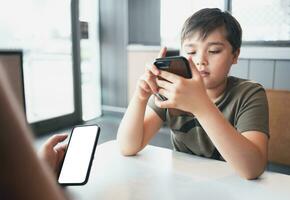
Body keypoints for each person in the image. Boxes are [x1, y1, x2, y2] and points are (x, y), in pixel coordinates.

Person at [117, 8, 269, 180]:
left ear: (235, 55)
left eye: (213, 51)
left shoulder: (249, 93)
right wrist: (140, 97)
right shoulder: (172, 91)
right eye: (190, 52)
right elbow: (127, 147)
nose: (200, 60)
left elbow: (252, 169)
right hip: (183, 184)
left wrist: (201, 106)